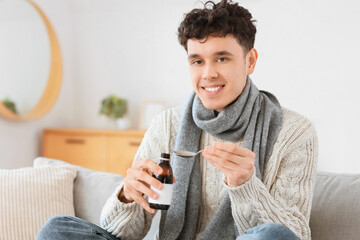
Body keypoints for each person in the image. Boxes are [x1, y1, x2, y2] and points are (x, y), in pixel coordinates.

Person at [37, 0, 318, 239]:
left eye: (222, 58)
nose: (208, 74)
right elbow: (121, 233)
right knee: (57, 229)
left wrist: (246, 186)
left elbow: (293, 235)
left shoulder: (294, 132)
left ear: (250, 61)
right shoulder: (167, 125)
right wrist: (127, 195)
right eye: (197, 61)